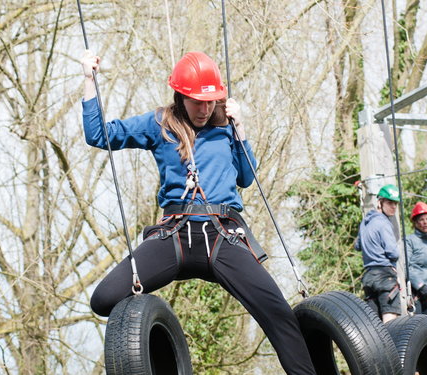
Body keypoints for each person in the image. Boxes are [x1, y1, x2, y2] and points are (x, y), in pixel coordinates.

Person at [80, 50, 316, 374]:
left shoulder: (226, 126)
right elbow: (99, 135)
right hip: (175, 235)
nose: (204, 109)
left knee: (279, 313)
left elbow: (246, 178)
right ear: (180, 97)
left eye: (210, 101)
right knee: (103, 298)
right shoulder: (159, 124)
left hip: (222, 236)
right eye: (196, 102)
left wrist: (241, 129)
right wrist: (88, 79)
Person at [355, 184, 401, 323]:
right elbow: (393, 252)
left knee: (375, 325)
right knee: (391, 321)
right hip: (385, 276)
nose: (393, 206)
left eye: (395, 203)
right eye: (389, 203)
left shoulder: (365, 223)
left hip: (369, 277)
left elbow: (357, 246)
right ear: (379, 202)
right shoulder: (384, 223)